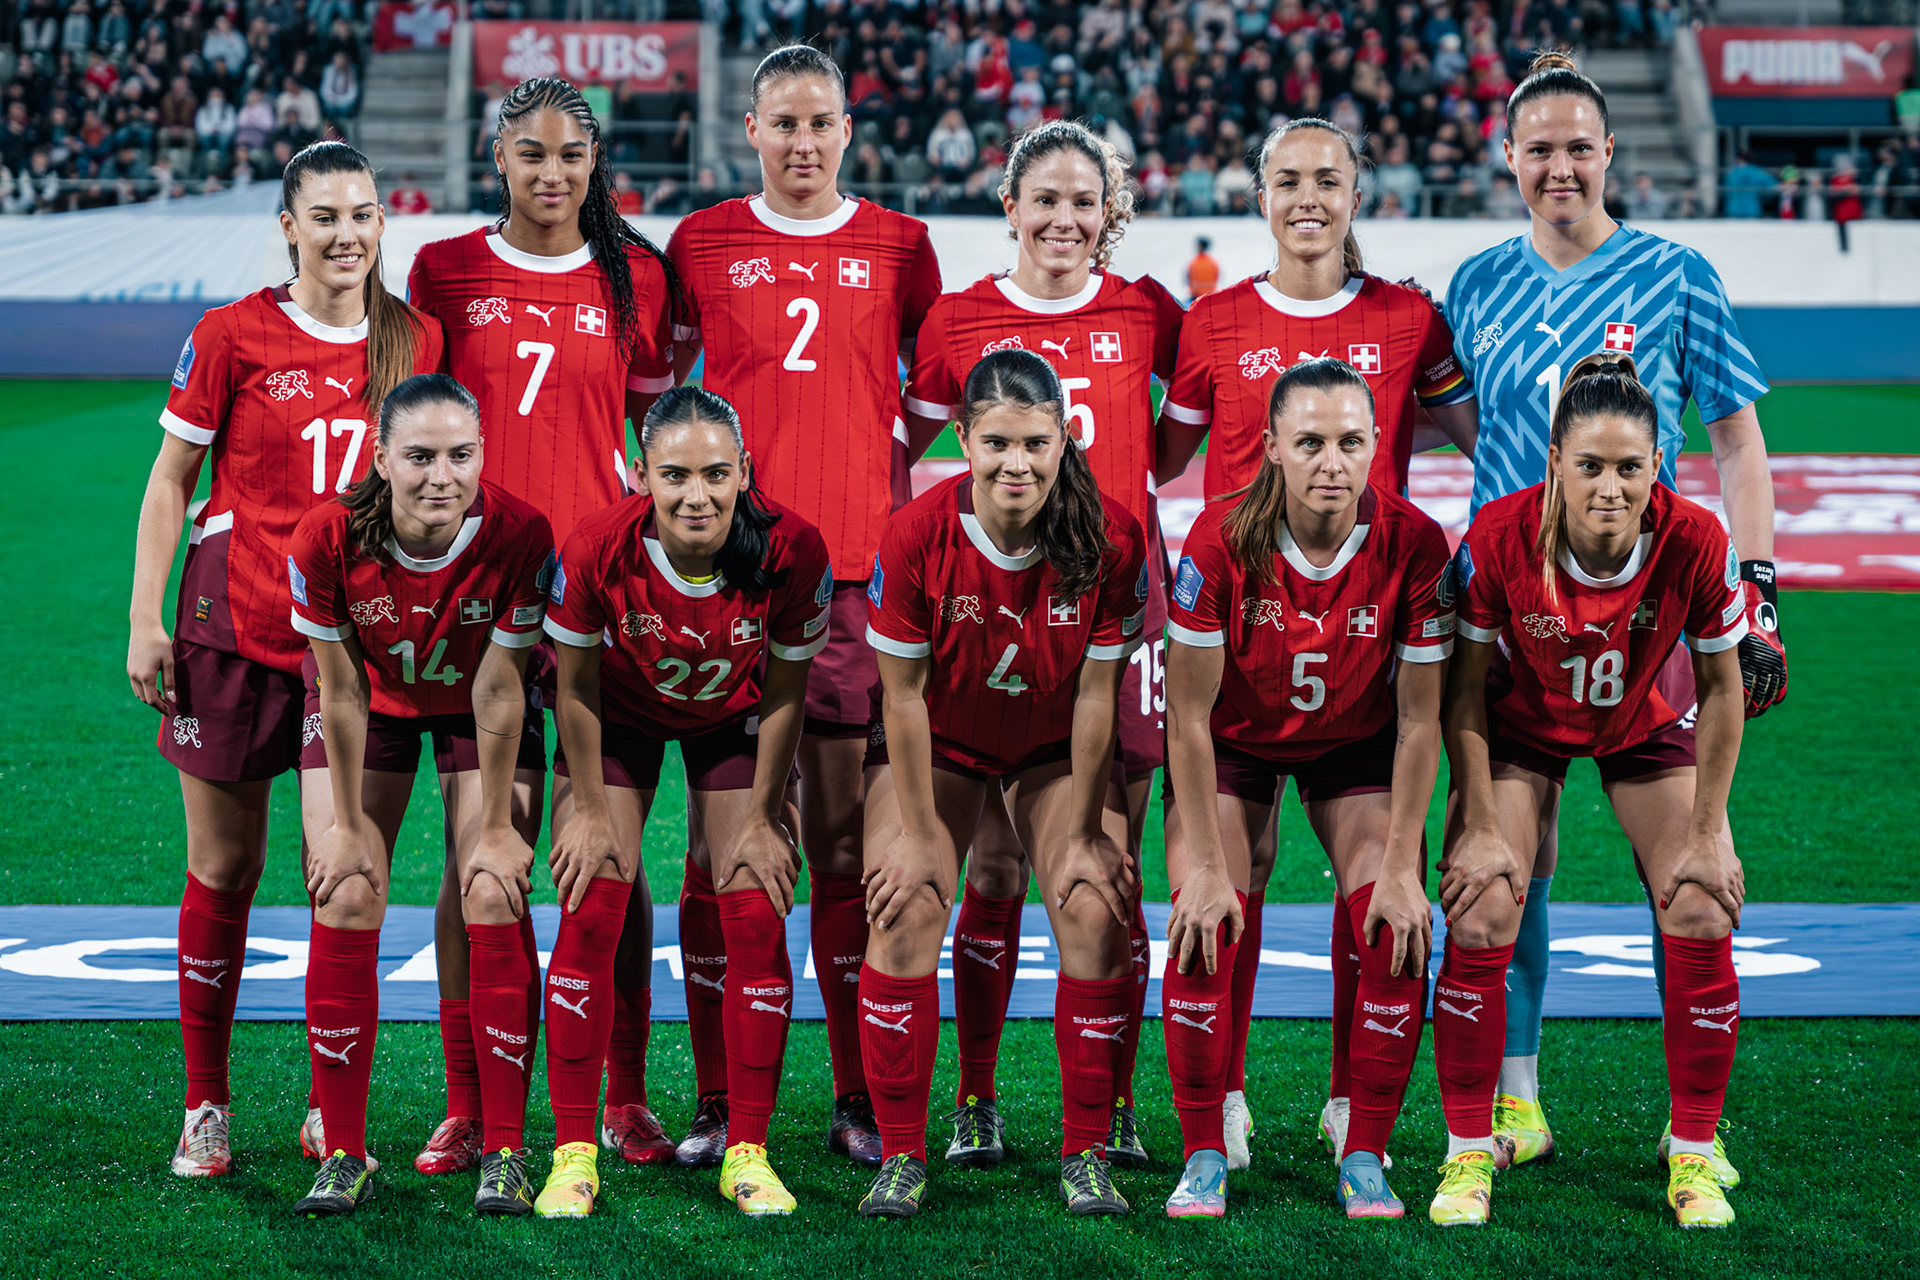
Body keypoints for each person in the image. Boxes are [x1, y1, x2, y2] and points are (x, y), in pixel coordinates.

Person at [1442, 51, 1784, 1179]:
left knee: (1685, 867)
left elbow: (1735, 439)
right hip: (1512, 620)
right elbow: (1453, 427)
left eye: (1579, 147)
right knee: (1508, 863)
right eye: (1538, 149)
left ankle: (1693, 1127)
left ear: (1609, 152)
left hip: (1644, 620)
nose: (1560, 167)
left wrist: (1759, 587)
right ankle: (1519, 1096)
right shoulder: (1475, 285)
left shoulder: (1675, 274)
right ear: (1507, 157)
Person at [1158, 116, 1479, 1172]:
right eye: (1288, 180)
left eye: (1328, 180)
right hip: (1239, 646)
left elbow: (1492, 439)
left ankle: (1353, 1100)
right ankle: (1224, 1097)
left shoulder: (1410, 318)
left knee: (1382, 887)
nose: (1308, 197)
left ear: (1357, 193)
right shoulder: (1209, 322)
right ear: (1259, 197)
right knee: (1225, 878)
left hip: (1363, 643)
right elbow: (1153, 456)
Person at [128, 140, 441, 1180]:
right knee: (225, 869)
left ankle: (326, 1109)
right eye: (327, 216)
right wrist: (144, 617)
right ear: (289, 227)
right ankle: (205, 1103)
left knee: (342, 876)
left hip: (343, 652)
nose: (348, 234)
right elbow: (171, 478)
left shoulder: (414, 338)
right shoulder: (231, 334)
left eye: (363, 214)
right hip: (231, 625)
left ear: (382, 222)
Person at [665, 44, 943, 1168]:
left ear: (847, 130)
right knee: (719, 845)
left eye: (820, 122)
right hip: (728, 577)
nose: (803, 142)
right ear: (752, 131)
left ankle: (853, 1094)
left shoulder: (902, 245)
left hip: (854, 582)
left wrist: (872, 468)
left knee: (833, 842)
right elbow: (667, 399)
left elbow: (927, 395)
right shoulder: (699, 242)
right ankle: (717, 1098)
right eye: (783, 123)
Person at [405, 75, 680, 1176]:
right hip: (479, 599)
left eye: (572, 154)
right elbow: (421, 435)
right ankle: (471, 1101)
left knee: (609, 854)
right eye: (532, 153)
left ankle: (626, 1094)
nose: (553, 172)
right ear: (499, 158)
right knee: (477, 851)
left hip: (605, 603)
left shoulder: (637, 275)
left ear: (595, 159)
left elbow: (650, 434)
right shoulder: (444, 271)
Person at [903, 119, 1183, 1169]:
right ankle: (976, 1096)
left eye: (1085, 202)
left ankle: (1113, 1102)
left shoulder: (1148, 310)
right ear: (1010, 206)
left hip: (1115, 616)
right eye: (1047, 200)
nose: (1066, 220)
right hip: (993, 613)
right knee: (991, 865)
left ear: (1110, 213)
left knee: (1112, 865)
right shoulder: (957, 318)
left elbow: (1176, 446)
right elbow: (910, 443)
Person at [1435, 354, 1749, 1229]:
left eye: (1630, 468)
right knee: (1480, 902)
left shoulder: (1694, 537)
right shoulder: (1499, 535)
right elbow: (1462, 691)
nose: (1611, 488)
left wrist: (1708, 830)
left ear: (1658, 467)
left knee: (1700, 900)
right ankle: (1471, 1148)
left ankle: (1694, 1149)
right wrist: (1483, 825)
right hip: (1522, 723)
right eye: (1590, 466)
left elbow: (1723, 689)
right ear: (1555, 464)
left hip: (1646, 720)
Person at [857, 347, 1148, 1219]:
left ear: (1064, 439)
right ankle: (903, 1154)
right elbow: (902, 696)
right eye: (996, 444)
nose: (1016, 464)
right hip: (939, 743)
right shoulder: (916, 533)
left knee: (1093, 904)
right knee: (906, 902)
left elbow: (1097, 693)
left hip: (1050, 747)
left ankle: (1084, 1151)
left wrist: (1088, 830)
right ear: (962, 439)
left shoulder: (1111, 536)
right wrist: (918, 835)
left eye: (1034, 444)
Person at [1160, 357, 1451, 1221]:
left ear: (1376, 446)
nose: (1333, 461)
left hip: (1353, 749)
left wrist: (1402, 868)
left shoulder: (1415, 543)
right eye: (1312, 442)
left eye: (1351, 442)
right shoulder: (1218, 540)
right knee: (1203, 919)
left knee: (1394, 926)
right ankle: (1206, 1144)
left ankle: (1361, 1141)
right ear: (1272, 447)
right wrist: (1204, 867)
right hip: (1232, 747)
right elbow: (1186, 718)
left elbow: (1420, 722)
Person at [537, 388, 831, 1217]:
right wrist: (589, 810)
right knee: (593, 895)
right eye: (674, 475)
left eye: (715, 474)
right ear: (641, 474)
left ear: (745, 471)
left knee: (757, 901)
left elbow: (787, 691)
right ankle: (571, 1153)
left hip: (733, 720)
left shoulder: (793, 547)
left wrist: (766, 816)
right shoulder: (596, 548)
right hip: (619, 721)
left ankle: (748, 1151)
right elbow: (575, 689)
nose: (696, 495)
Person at [287, 375, 553, 1217]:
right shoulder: (326, 537)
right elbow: (339, 691)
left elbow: (502, 688)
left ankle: (504, 1150)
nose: (443, 476)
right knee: (346, 888)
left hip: (481, 709)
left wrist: (500, 828)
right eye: (421, 457)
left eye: (461, 455)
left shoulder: (520, 533)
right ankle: (343, 1150)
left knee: (491, 886)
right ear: (380, 458)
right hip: (372, 707)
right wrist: (345, 826)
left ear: (483, 454)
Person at [1186, 235, 1219, 300]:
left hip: (1196, 296)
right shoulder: (1213, 263)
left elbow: (1188, 278)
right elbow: (1217, 277)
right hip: (1210, 295)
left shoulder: (1194, 262)